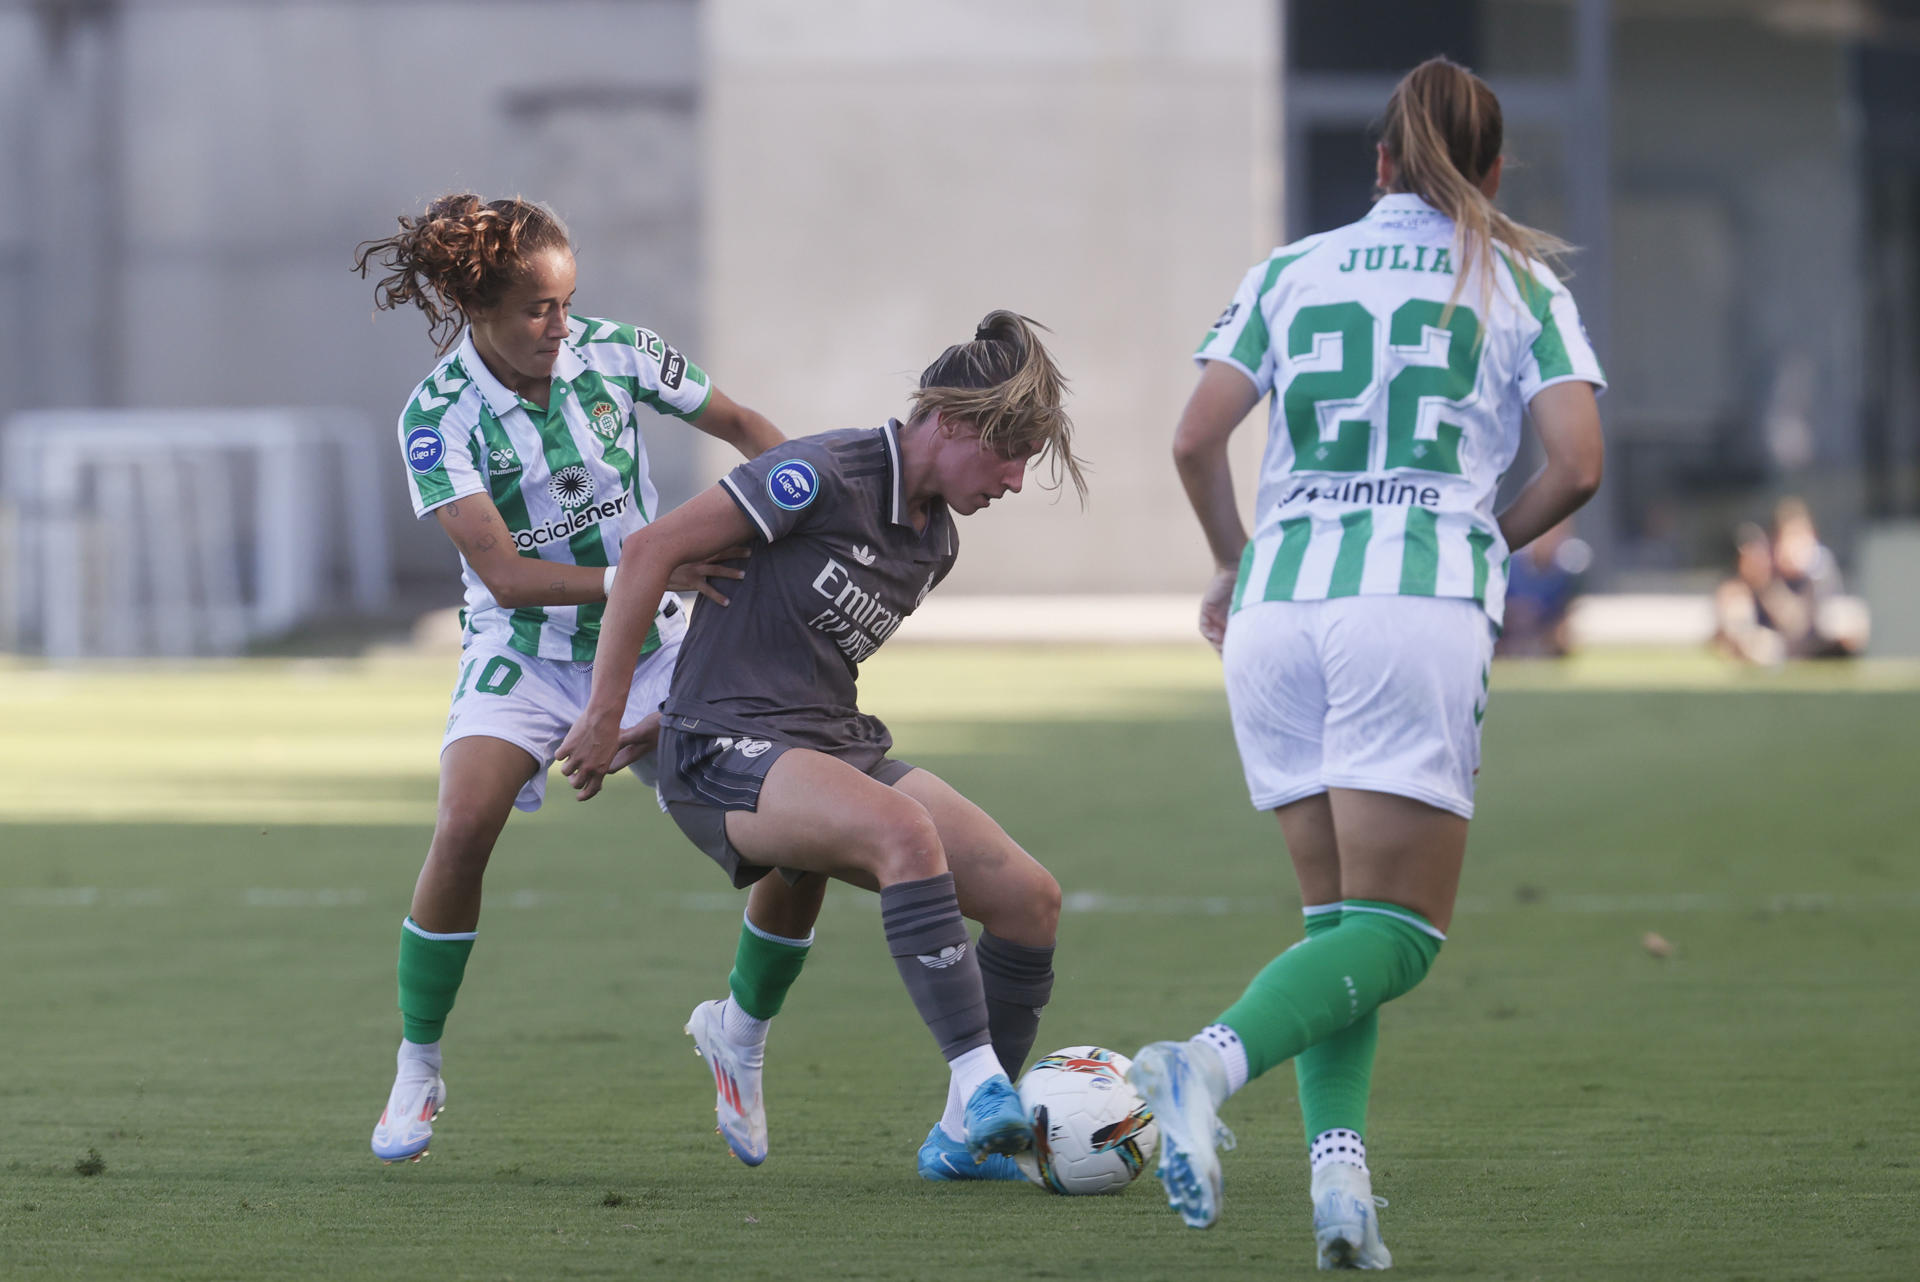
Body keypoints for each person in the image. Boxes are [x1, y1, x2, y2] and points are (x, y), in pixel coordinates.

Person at [1130, 57, 1606, 1268]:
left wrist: (1236, 561)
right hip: (1413, 601)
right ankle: (1203, 1063)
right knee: (1404, 936)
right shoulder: (1517, 280)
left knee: (1336, 923)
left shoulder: (1291, 269)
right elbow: (1580, 463)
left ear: (1381, 162)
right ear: (1493, 171)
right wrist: (1484, 537)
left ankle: (1341, 1187)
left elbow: (1194, 439)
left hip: (1282, 606)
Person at [556, 310, 1085, 1179]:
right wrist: (611, 713)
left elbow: (778, 636)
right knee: (901, 833)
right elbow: (651, 550)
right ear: (949, 422)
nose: (1018, 481)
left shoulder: (934, 540)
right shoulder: (819, 474)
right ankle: (983, 1082)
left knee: (1031, 899)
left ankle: (959, 1138)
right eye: (1009, 453)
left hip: (822, 742)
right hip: (719, 751)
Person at [352, 193, 785, 1164]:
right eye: (537, 309)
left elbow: (744, 421)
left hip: (662, 643)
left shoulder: (617, 352)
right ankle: (418, 1064)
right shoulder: (438, 417)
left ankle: (741, 1037)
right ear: (479, 307)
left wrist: (802, 509)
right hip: (526, 651)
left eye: (568, 301)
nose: (560, 325)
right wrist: (652, 565)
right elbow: (503, 574)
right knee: (463, 825)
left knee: (787, 836)